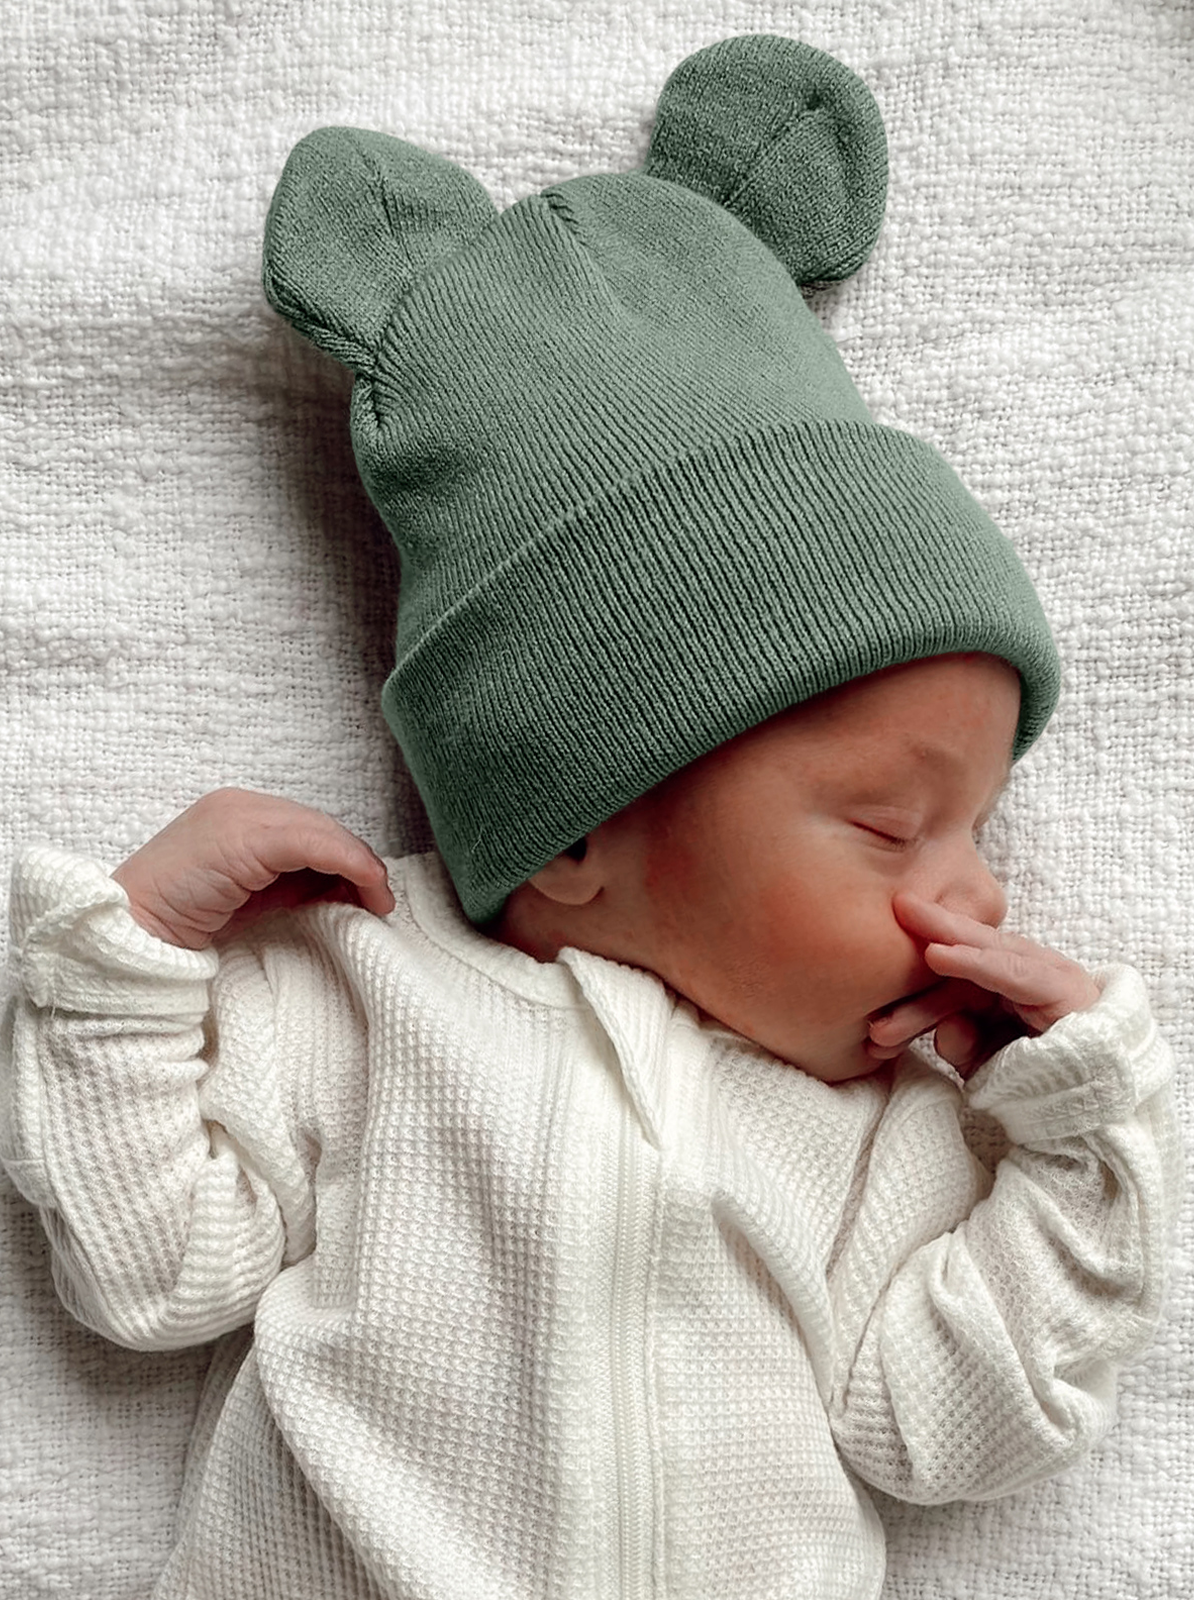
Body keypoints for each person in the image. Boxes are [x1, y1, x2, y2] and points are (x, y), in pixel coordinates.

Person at [0, 35, 1179, 1600]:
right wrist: (126, 962)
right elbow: (152, 1280)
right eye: (895, 829)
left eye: (979, 827)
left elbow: (946, 1434)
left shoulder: (893, 1125)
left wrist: (1079, 1148)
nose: (969, 902)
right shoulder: (363, 993)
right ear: (573, 825)